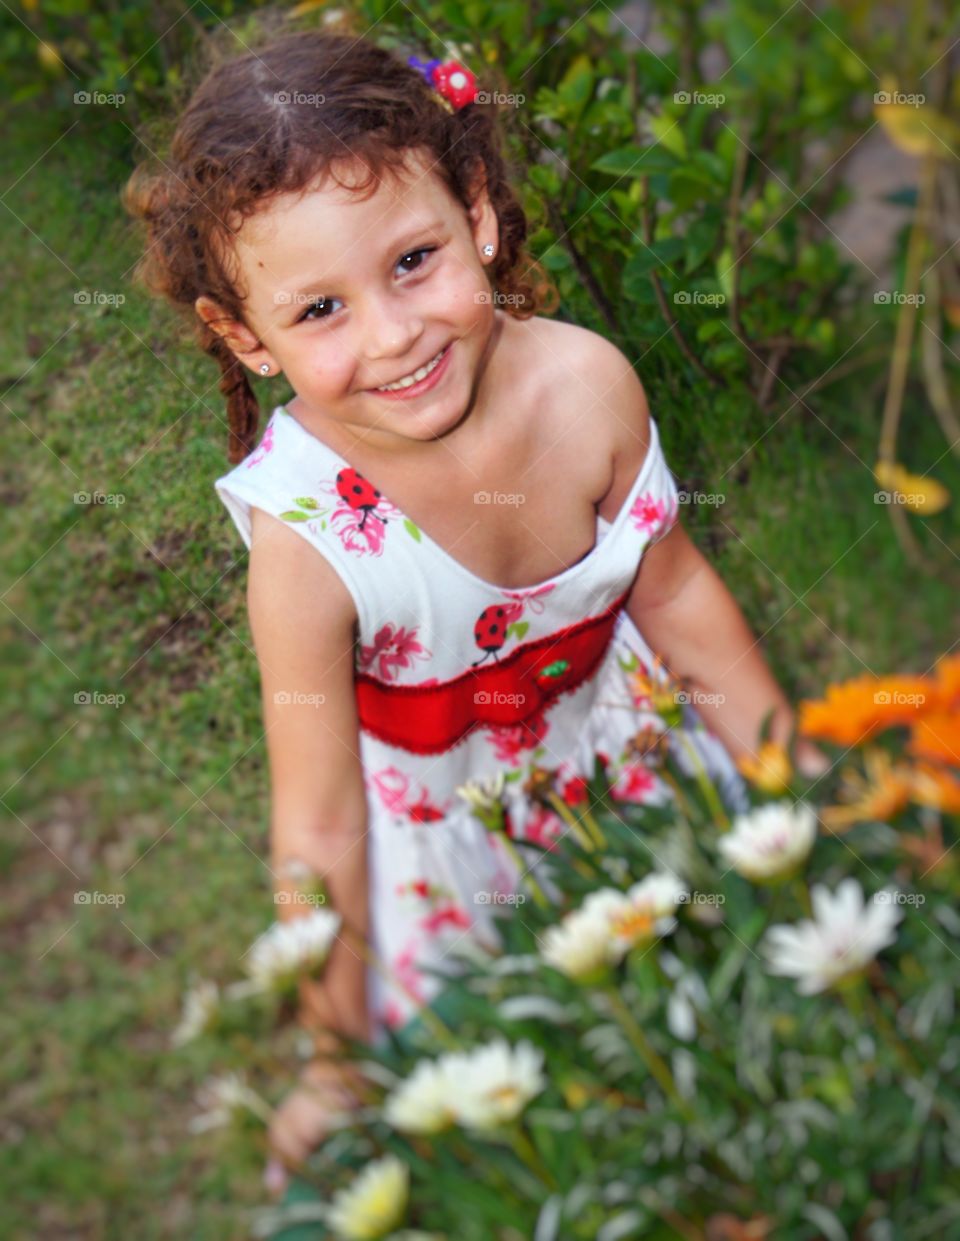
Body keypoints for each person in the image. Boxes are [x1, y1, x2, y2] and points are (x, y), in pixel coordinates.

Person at [124, 27, 830, 1199]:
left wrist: (792, 779)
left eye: (412, 261)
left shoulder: (586, 384)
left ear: (479, 214)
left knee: (720, 1036)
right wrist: (333, 1061)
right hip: (458, 857)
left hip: (638, 766)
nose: (394, 335)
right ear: (246, 336)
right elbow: (320, 821)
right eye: (320, 311)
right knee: (538, 1115)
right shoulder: (306, 545)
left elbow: (677, 589)